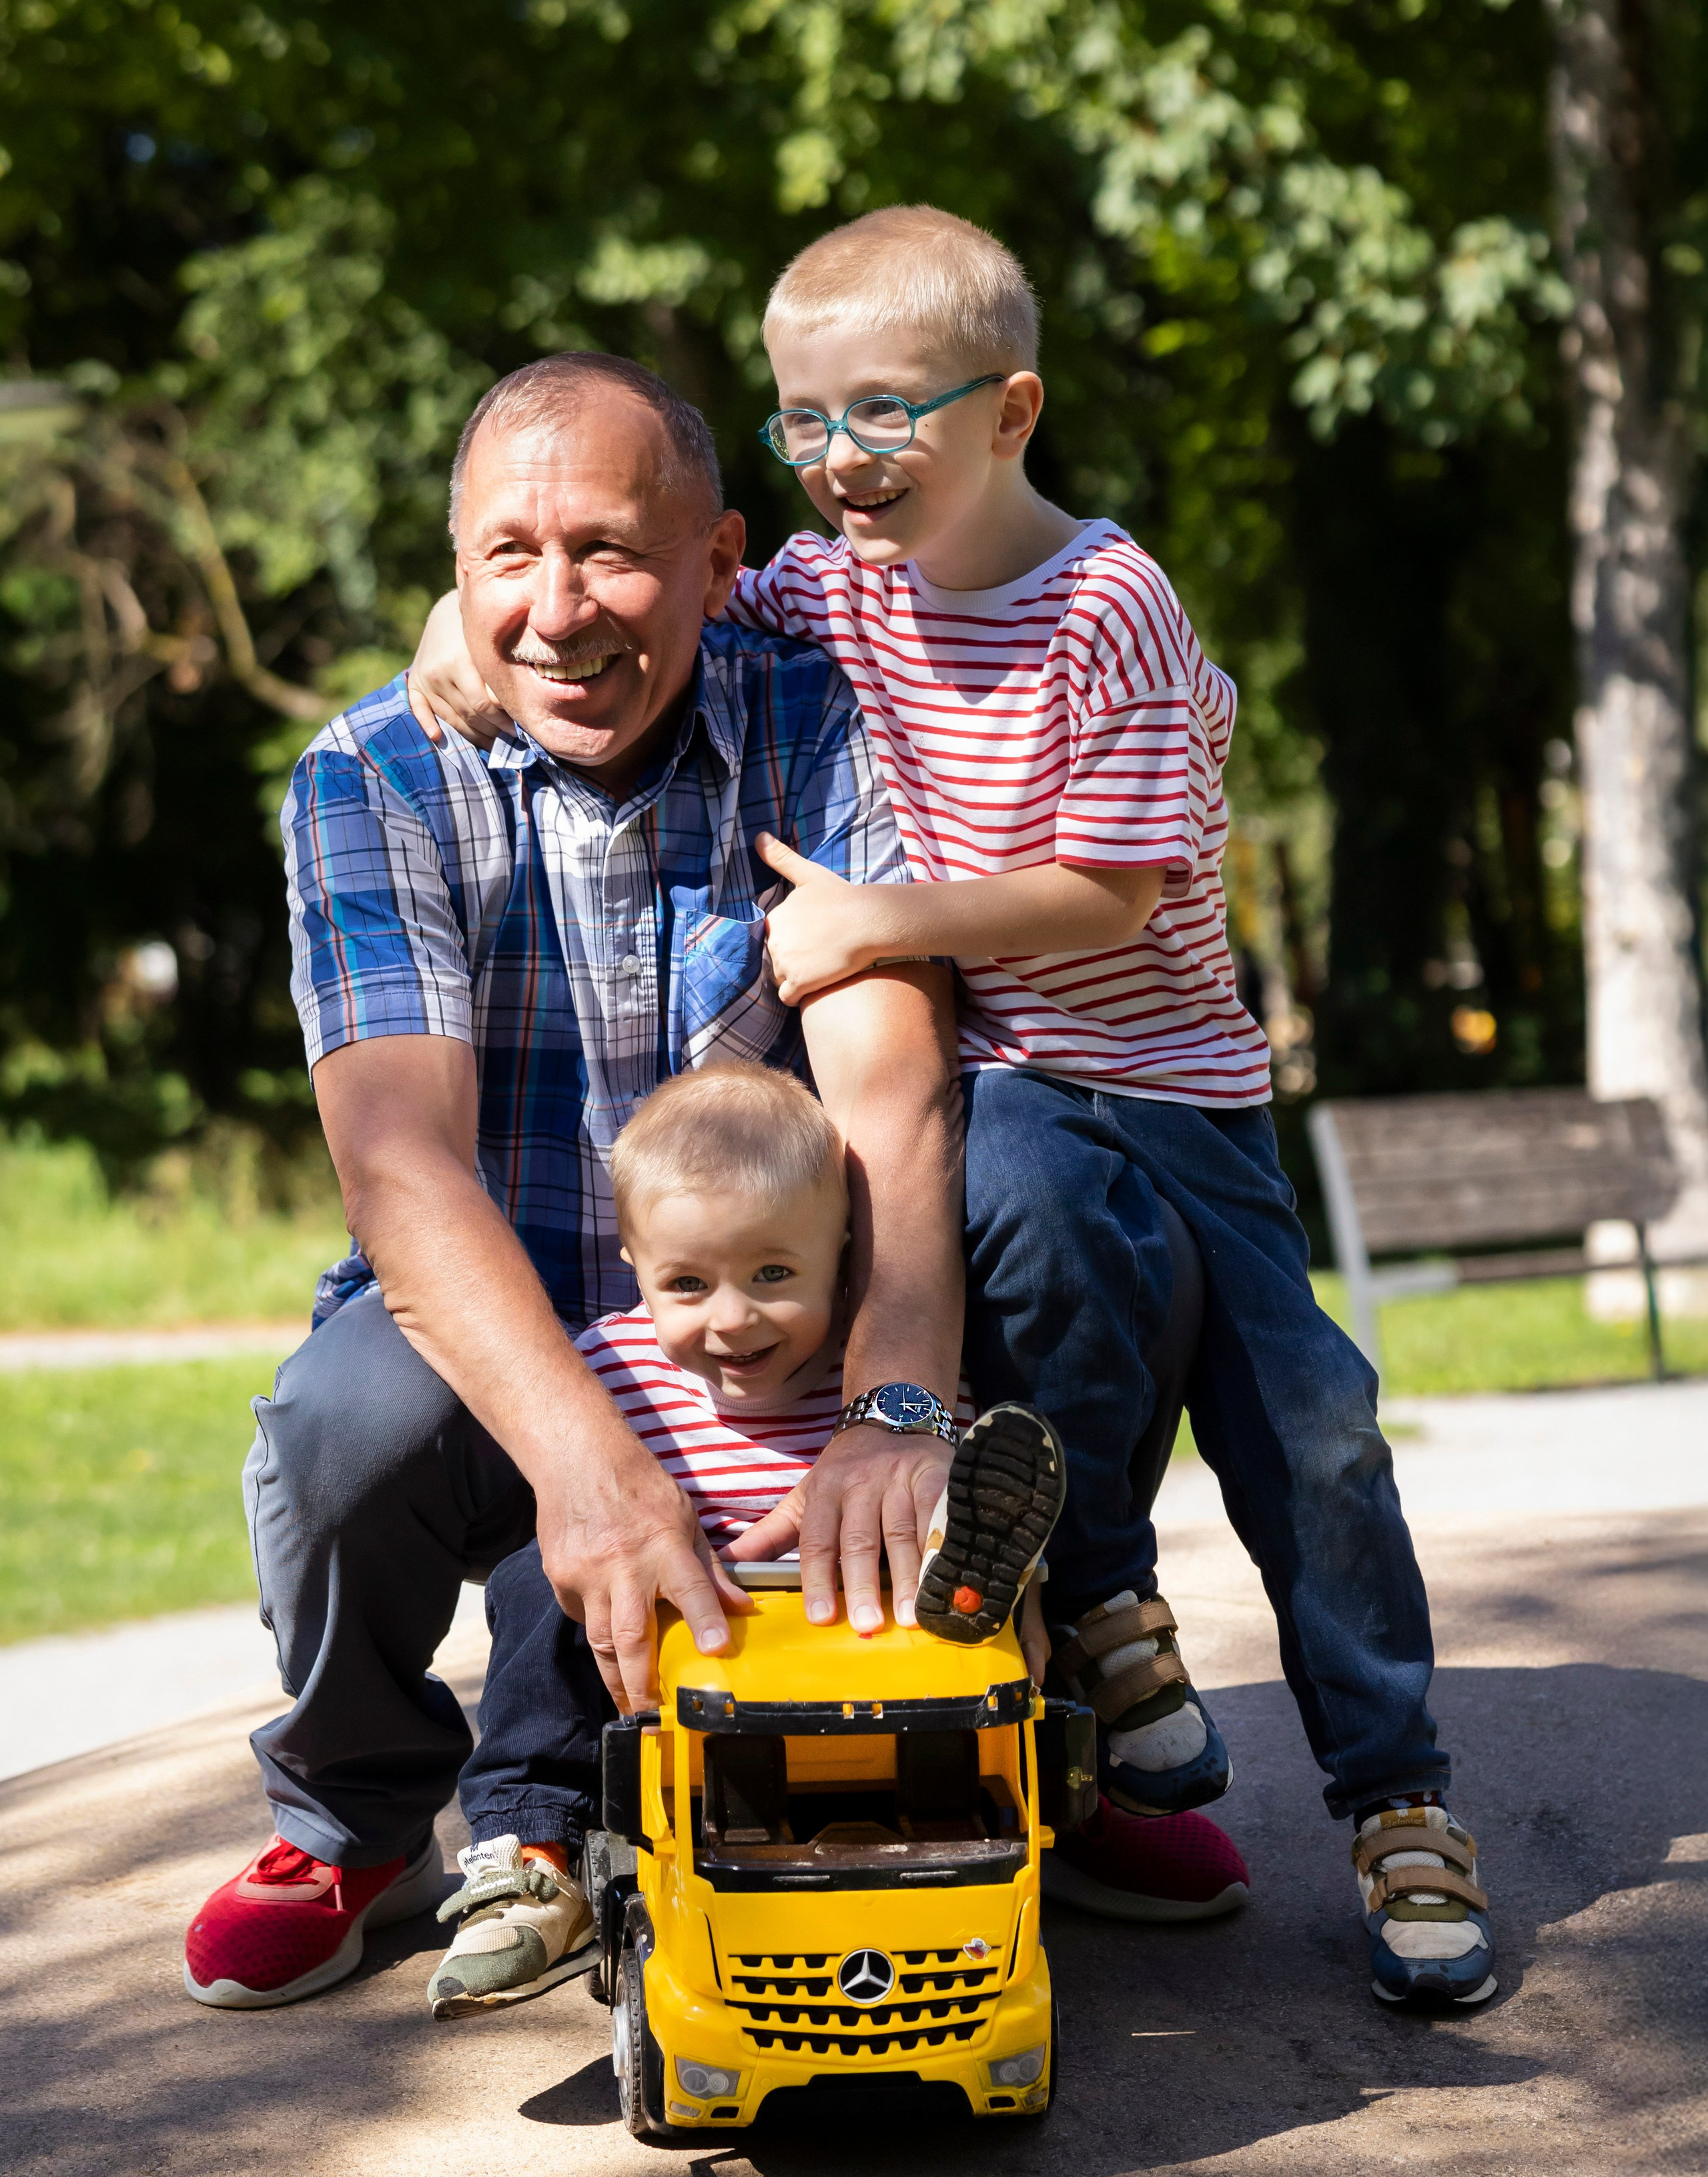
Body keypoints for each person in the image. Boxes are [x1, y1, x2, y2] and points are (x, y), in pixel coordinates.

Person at [410, 209, 1495, 2008]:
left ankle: (1397, 1804)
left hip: (1178, 1097)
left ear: (1014, 411)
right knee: (1017, 1212)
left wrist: (875, 920)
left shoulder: (1108, 602)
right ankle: (1111, 1613)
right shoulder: (838, 582)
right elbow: (633, 587)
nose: (844, 459)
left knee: (1313, 1431)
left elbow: (1114, 893)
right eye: (807, 418)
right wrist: (466, 622)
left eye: (889, 413)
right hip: (1010, 1091)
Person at [182, 354, 971, 2011]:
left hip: (780, 1312)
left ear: (716, 559)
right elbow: (399, 1170)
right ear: (454, 569)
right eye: (506, 558)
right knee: (339, 1427)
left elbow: (892, 1098)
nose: (554, 612)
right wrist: (597, 1467)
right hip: (497, 1322)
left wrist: (894, 1408)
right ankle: (363, 1814)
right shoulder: (370, 772)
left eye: (609, 550)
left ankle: (1035, 1764)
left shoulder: (821, 720)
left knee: (1029, 1216)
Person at [430, 1061, 1214, 2017]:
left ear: (842, 1251)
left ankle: (1038, 1776)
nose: (731, 1319)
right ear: (633, 1262)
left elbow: (923, 1467)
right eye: (688, 1282)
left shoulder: (882, 1381)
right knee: (530, 1587)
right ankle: (534, 1849)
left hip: (860, 1628)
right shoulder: (610, 1368)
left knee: (961, 1560)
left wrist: (969, 1537)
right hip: (692, 1636)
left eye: (772, 1274)